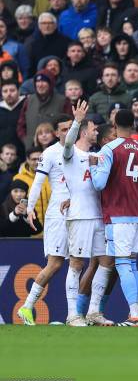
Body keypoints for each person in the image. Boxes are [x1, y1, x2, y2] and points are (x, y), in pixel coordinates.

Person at [88, 109, 138, 327]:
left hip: (118, 214)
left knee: (123, 263)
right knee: (131, 263)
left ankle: (135, 314)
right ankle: (136, 314)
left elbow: (99, 184)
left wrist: (93, 166)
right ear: (133, 125)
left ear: (114, 125)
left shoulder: (109, 148)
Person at [60, 100, 114, 326]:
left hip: (99, 215)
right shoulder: (70, 153)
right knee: (77, 263)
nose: (96, 131)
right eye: (93, 129)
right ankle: (72, 314)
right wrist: (76, 122)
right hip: (80, 215)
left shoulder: (99, 155)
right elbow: (68, 143)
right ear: (84, 131)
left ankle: (94, 311)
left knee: (106, 261)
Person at [17, 117, 72, 325]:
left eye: (71, 128)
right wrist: (30, 209)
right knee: (55, 263)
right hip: (57, 215)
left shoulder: (81, 152)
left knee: (79, 262)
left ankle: (76, 314)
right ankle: (27, 306)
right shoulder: (49, 153)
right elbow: (38, 182)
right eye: (64, 129)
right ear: (57, 133)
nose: (68, 132)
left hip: (79, 213)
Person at [17, 70, 73, 150]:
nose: (40, 84)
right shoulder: (28, 101)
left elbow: (70, 125)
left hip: (57, 150)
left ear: (51, 84)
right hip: (32, 151)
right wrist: (27, 141)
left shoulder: (63, 101)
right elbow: (21, 125)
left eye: (44, 81)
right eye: (38, 81)